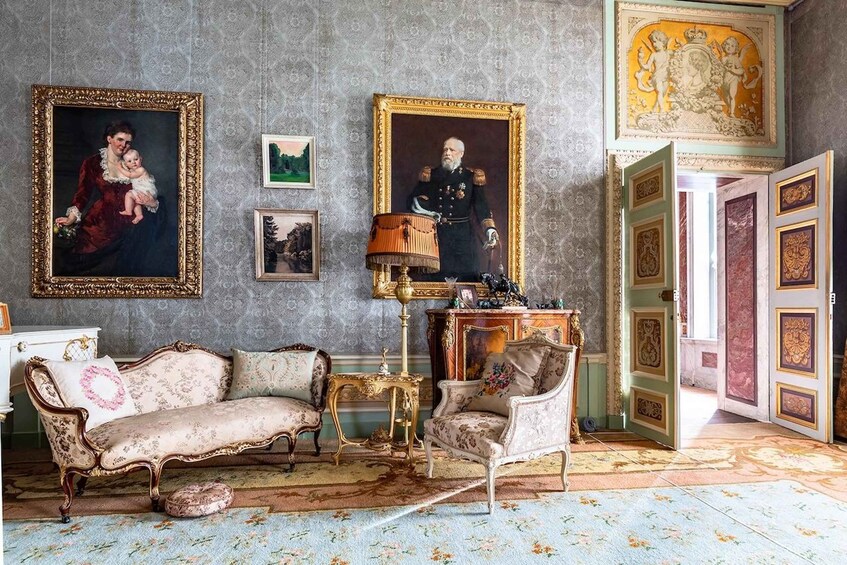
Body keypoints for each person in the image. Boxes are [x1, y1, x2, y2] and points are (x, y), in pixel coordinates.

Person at [54, 121, 161, 276]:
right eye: (120, 139)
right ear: (109, 139)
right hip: (100, 223)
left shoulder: (132, 163)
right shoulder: (93, 163)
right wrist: (71, 218)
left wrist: (151, 201)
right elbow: (82, 194)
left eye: (128, 142)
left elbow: (146, 187)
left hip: (130, 224)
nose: (124, 145)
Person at [407, 137, 499, 281]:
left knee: (466, 279)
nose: (447, 153)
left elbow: (481, 206)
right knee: (434, 278)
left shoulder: (470, 177)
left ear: (461, 154)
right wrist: (426, 211)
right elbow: (412, 202)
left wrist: (490, 230)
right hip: (436, 236)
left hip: (462, 238)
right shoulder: (431, 175)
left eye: (451, 150)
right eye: (445, 149)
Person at [117, 149, 158, 224]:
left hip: (146, 191)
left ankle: (128, 211)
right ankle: (139, 215)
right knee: (135, 201)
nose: (133, 162)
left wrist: (120, 168)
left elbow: (130, 175)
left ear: (140, 159)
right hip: (141, 190)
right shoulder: (133, 170)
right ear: (126, 164)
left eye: (136, 159)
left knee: (129, 195)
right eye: (129, 161)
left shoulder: (141, 170)